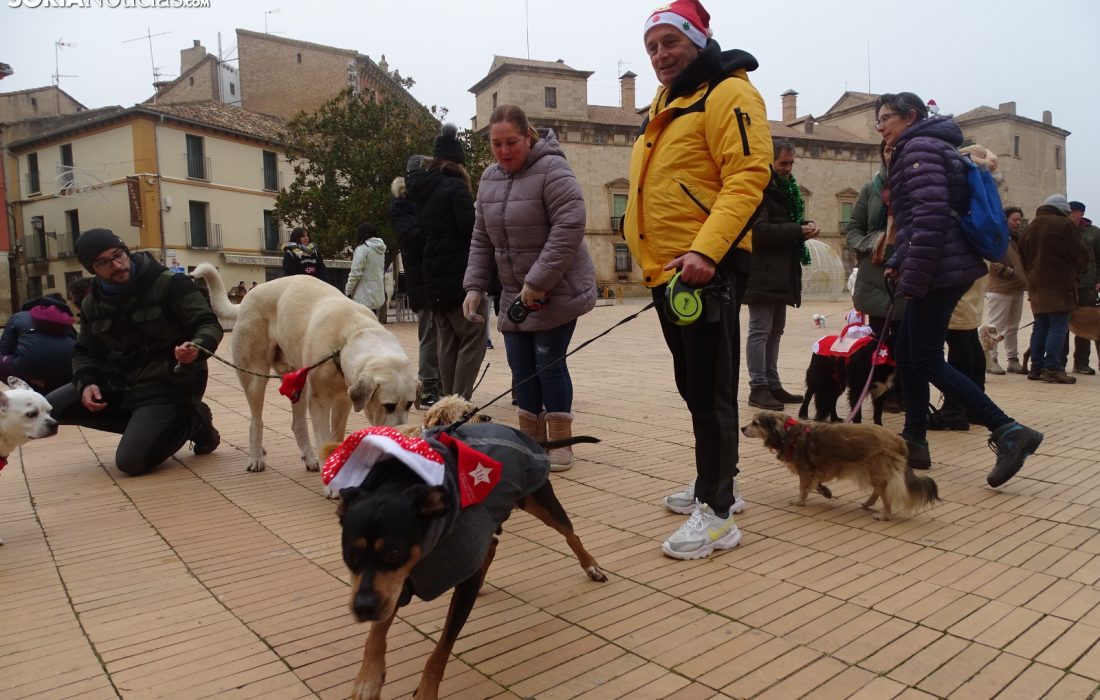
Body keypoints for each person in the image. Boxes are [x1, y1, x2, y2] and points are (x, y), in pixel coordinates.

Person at [621, 0, 772, 559]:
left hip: (706, 267)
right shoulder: (669, 100)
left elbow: (748, 176)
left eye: (671, 43)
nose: (661, 55)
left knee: (709, 390)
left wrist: (708, 250)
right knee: (694, 385)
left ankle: (717, 512)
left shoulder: (729, 93)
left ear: (698, 40)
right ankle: (716, 480)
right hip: (670, 270)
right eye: (652, 47)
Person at [876, 91, 1043, 488]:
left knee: (927, 357)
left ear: (910, 116)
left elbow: (932, 218)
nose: (880, 126)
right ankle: (915, 439)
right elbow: (920, 220)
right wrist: (900, 262)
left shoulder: (918, 149)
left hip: (939, 270)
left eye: (886, 118)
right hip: (939, 265)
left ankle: (1008, 430)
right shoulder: (925, 147)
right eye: (878, 120)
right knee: (908, 352)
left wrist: (913, 276)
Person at [462, 104, 595, 469]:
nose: (504, 151)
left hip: (557, 289)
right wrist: (473, 285)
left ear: (528, 136)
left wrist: (537, 283)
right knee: (521, 368)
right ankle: (531, 442)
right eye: (496, 144)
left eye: (511, 142)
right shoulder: (490, 178)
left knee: (548, 364)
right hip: (512, 293)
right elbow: (480, 238)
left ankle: (561, 443)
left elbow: (569, 227)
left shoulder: (553, 169)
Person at [45, 228, 222, 476]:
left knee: (131, 462)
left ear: (126, 252)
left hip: (168, 383)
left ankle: (194, 421)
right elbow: (85, 351)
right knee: (49, 409)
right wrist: (87, 383)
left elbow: (207, 323)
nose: (116, 265)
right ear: (92, 269)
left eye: (119, 255)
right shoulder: (91, 303)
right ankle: (150, 426)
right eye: (103, 262)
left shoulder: (171, 284)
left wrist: (197, 346)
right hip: (121, 382)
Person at [408, 124, 486, 400]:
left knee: (447, 341)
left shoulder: (421, 191)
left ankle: (446, 404)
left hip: (433, 274)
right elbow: (471, 229)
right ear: (458, 162)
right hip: (459, 273)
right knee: (473, 335)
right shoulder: (455, 186)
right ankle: (459, 403)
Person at [744, 140, 816, 410]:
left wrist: (801, 226)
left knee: (775, 332)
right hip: (763, 272)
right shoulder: (760, 189)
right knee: (760, 331)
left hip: (781, 272)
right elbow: (759, 231)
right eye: (783, 163)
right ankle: (757, 387)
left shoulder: (785, 190)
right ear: (770, 161)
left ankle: (772, 385)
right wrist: (797, 230)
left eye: (791, 163)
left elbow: (779, 226)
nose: (788, 168)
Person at [1018, 195, 1088, 384]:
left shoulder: (1029, 227)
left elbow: (1022, 258)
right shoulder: (1064, 225)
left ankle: (1036, 368)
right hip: (1060, 285)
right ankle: (1053, 368)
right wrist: (1077, 272)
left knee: (1040, 327)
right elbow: (1081, 254)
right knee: (1058, 327)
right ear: (1063, 210)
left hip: (1036, 286)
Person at [392, 162, 442, 408]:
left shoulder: (412, 210)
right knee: (429, 335)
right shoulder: (404, 211)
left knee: (436, 335)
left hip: (429, 280)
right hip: (423, 282)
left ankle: (435, 383)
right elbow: (415, 239)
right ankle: (426, 386)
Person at [0, 293, 77, 393]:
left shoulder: (19, 317)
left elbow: (5, 348)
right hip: (67, 368)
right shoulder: (66, 320)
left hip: (29, 366)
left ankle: (26, 392)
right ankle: (51, 393)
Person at [985, 206, 1027, 374]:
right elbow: (992, 261)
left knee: (1013, 327)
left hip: (1016, 288)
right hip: (1000, 288)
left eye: (1019, 220)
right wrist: (1009, 272)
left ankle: (1012, 359)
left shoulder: (1018, 240)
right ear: (1006, 219)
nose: (1017, 223)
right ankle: (991, 358)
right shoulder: (998, 237)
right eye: (1014, 219)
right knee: (995, 326)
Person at [1068, 200, 1100, 374]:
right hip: (1066, 284)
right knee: (1063, 323)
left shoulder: (1094, 232)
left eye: (1072, 211)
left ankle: (1081, 363)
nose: (1070, 214)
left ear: (1080, 213)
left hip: (1087, 284)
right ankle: (1058, 361)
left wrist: (1098, 279)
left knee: (1088, 325)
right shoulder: (1064, 230)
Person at [344, 222, 387, 317]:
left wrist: (348, 291)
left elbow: (355, 273)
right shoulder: (380, 250)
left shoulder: (363, 249)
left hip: (363, 297)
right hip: (376, 295)